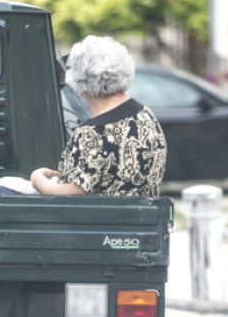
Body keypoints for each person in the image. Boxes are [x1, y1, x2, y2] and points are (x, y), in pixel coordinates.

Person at [30, 35, 167, 197]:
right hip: (141, 218)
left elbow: (69, 193)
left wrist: (37, 178)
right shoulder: (145, 115)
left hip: (102, 221)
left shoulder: (92, 133)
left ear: (79, 80)